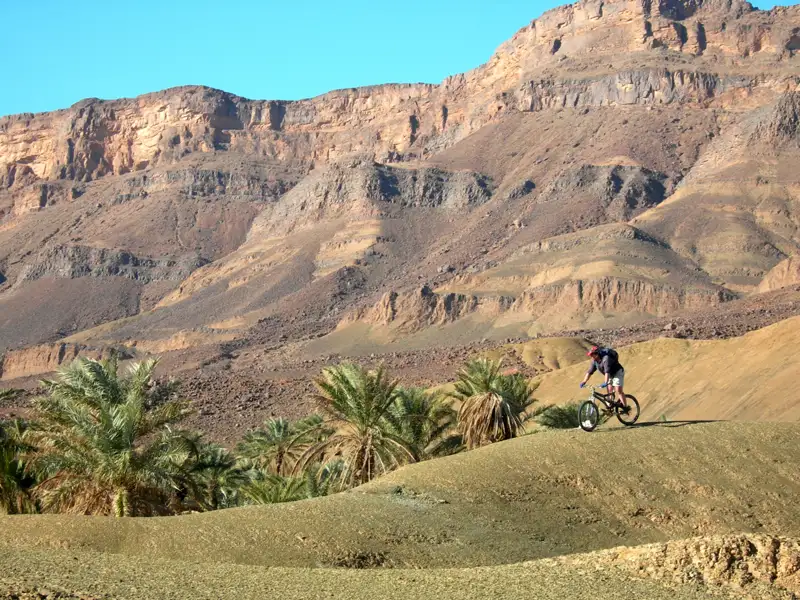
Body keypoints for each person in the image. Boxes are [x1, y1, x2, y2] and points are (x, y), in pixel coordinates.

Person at [579, 346, 628, 410]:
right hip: (610, 375)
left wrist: (605, 382)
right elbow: (589, 372)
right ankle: (611, 407)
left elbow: (607, 372)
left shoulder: (606, 359)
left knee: (618, 389)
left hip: (617, 372)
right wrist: (584, 381)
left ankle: (625, 407)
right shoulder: (594, 362)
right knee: (610, 391)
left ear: (597, 353)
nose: (592, 356)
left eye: (593, 354)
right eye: (591, 355)